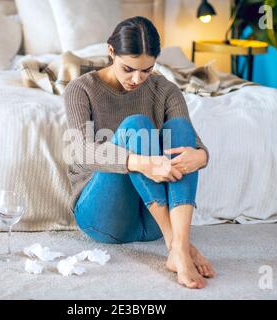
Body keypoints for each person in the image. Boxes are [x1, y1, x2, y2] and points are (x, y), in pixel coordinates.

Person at [63, 16, 214, 289]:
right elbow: (81, 152)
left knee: (179, 128)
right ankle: (177, 246)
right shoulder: (81, 89)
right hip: (103, 216)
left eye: (146, 70)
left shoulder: (165, 89)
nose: (137, 79)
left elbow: (193, 141)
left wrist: (201, 156)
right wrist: (140, 162)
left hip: (153, 221)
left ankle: (177, 246)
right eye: (128, 68)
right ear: (111, 52)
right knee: (137, 125)